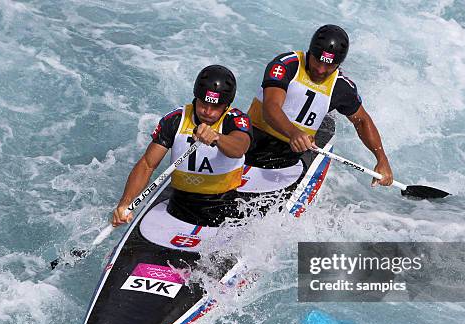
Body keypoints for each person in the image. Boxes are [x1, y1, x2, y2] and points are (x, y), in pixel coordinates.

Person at [246, 24, 393, 186]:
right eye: (318, 62)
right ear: (310, 53)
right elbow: (271, 107)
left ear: (338, 64)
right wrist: (293, 133)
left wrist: (382, 159)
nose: (321, 70)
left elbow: (362, 121)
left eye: (329, 65)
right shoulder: (286, 65)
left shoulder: (341, 86)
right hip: (252, 140)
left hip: (290, 154)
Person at [112, 65, 253, 228]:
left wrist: (217, 137)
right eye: (203, 104)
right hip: (179, 205)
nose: (207, 111)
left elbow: (240, 148)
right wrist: (125, 203)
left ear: (226, 105)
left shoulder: (236, 120)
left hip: (225, 206)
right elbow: (147, 164)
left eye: (215, 107)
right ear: (196, 97)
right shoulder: (175, 120)